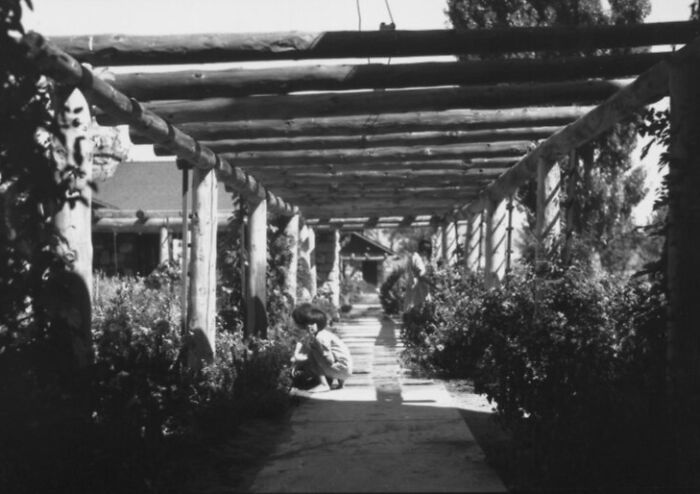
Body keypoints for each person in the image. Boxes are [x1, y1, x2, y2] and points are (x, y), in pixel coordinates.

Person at [290, 303, 353, 393]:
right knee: (314, 352)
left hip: (341, 370)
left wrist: (306, 359)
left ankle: (324, 384)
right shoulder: (324, 333)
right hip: (345, 369)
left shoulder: (320, 338)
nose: (308, 327)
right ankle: (340, 383)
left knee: (313, 353)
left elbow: (329, 359)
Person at [403, 239, 433, 311]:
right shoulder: (418, 259)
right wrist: (433, 284)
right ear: (425, 251)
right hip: (417, 290)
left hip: (413, 288)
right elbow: (421, 275)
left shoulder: (413, 257)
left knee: (411, 309)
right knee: (419, 310)